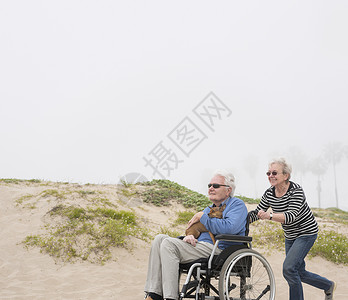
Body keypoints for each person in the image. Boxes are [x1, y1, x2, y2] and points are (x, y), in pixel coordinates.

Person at [144, 170, 248, 300]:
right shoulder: (208, 209)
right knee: (159, 239)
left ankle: (170, 297)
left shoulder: (237, 205)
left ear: (228, 190)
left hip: (219, 249)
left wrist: (202, 217)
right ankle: (154, 294)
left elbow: (229, 228)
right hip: (199, 246)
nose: (211, 188)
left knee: (169, 244)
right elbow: (194, 228)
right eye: (209, 185)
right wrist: (189, 236)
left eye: (215, 186)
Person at [250, 158, 336, 300]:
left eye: (274, 173)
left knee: (289, 269)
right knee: (298, 272)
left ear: (286, 175)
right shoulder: (269, 193)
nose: (270, 176)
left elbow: (291, 216)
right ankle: (327, 285)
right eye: (268, 173)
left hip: (306, 233)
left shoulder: (296, 191)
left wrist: (269, 215)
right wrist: (238, 221)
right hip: (290, 236)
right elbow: (257, 213)